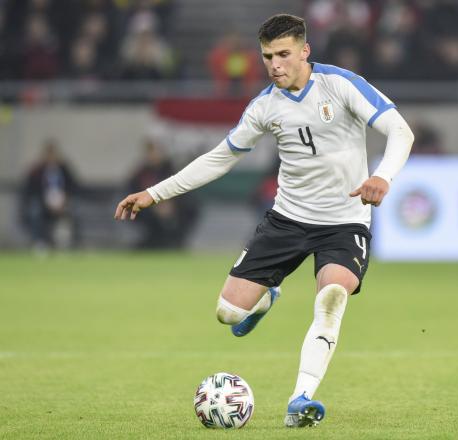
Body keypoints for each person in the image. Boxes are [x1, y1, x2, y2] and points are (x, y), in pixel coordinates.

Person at [114, 14, 413, 428]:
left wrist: (383, 176)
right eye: (268, 56)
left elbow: (400, 131)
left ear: (305, 51)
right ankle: (267, 296)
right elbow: (220, 158)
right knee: (227, 314)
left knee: (331, 298)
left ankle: (301, 397)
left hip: (345, 222)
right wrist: (154, 193)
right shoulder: (264, 106)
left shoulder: (341, 84)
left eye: (284, 54)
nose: (275, 64)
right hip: (287, 220)